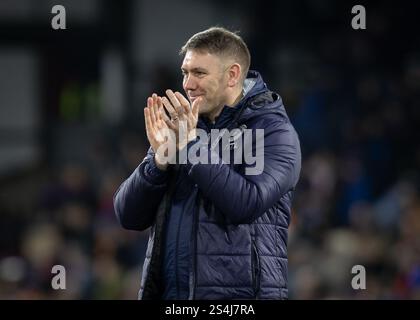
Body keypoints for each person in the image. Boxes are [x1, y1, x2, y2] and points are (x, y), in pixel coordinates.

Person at [113, 27, 301, 300]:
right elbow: (128, 216)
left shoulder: (273, 132)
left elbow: (246, 203)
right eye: (185, 73)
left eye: (199, 73)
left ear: (233, 75)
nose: (188, 84)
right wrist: (159, 160)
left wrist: (190, 147)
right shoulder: (183, 128)